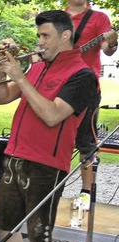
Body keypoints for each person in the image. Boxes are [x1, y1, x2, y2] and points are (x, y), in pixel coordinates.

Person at [0, 10, 98, 242]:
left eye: (45, 36)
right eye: (38, 36)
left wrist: (20, 74)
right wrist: (4, 69)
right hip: (16, 155)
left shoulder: (81, 75)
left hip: (46, 164)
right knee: (5, 226)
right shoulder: (41, 67)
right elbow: (2, 97)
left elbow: (52, 115)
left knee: (40, 234)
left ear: (65, 35)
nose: (39, 42)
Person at [65, 0, 117, 211]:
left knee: (86, 141)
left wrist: (112, 42)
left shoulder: (99, 19)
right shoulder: (58, 17)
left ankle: (86, 192)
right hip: (59, 84)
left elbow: (107, 49)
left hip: (87, 87)